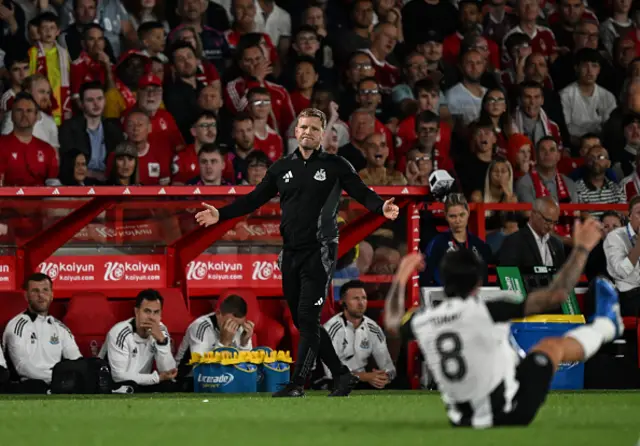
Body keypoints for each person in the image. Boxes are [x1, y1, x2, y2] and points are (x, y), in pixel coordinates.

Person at [195, 107, 399, 397]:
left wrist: (381, 207)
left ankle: (297, 384)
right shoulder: (281, 167)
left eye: (315, 129)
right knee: (305, 319)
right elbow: (253, 200)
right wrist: (221, 214)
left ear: (324, 133)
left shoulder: (335, 165)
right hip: (290, 252)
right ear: (295, 131)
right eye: (303, 127)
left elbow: (360, 191)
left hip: (321, 250)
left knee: (306, 314)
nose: (308, 133)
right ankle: (341, 374)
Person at [383, 218, 624, 428]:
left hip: (462, 420)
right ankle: (607, 326)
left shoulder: (426, 320)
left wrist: (401, 276)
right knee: (552, 347)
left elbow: (392, 323)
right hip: (512, 411)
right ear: (478, 283)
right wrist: (582, 249)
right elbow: (557, 295)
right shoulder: (486, 310)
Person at [2, 273, 82, 393]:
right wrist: (54, 378)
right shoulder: (17, 326)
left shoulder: (61, 328)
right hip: (28, 387)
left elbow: (76, 361)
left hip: (58, 385)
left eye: (45, 290)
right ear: (26, 296)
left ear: (52, 295)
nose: (41, 295)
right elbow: (22, 368)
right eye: (35, 291)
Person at [322, 280, 395, 389]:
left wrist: (384, 377)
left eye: (364, 298)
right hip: (334, 383)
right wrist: (364, 376)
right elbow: (330, 373)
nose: (361, 303)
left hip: (363, 382)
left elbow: (389, 367)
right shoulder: (331, 328)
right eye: (355, 299)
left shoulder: (373, 328)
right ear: (342, 302)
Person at [99, 289, 177, 391]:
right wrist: (157, 378)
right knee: (130, 386)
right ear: (136, 311)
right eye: (147, 311)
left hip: (143, 382)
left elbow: (169, 372)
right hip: (113, 385)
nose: (152, 318)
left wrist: (161, 342)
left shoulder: (161, 331)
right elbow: (118, 376)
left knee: (169, 386)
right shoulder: (119, 332)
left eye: (156, 312)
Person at [175, 294, 254, 380]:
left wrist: (244, 344)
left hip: (226, 377)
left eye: (238, 325)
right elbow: (201, 370)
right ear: (218, 314)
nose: (233, 329)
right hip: (188, 380)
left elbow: (245, 368)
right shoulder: (200, 326)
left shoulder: (242, 328)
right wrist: (224, 343)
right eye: (230, 323)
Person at [498, 196, 567, 269]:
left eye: (555, 222)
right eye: (548, 221)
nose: (551, 227)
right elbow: (508, 276)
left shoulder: (557, 244)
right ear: (534, 214)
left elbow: (563, 277)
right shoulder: (514, 241)